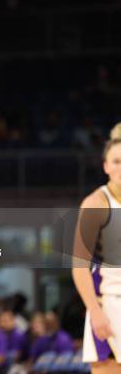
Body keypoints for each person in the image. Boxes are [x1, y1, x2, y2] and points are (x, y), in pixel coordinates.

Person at [72, 123, 121, 373]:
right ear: (106, 166)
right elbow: (79, 267)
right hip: (110, 305)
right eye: (116, 161)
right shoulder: (95, 203)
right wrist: (94, 311)